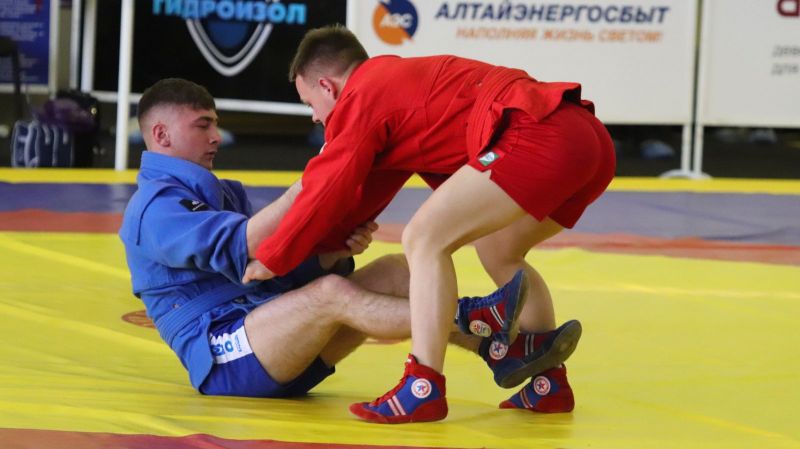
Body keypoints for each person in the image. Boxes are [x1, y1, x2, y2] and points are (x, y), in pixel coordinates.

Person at [243, 25, 609, 423]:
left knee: (423, 238)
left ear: (327, 87)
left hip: (541, 134)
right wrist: (334, 243)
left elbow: (327, 185)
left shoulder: (362, 95)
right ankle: (547, 384)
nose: (315, 116)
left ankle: (423, 386)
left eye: (310, 103)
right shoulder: (393, 88)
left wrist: (273, 258)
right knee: (499, 249)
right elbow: (365, 189)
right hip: (587, 139)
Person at [118, 78, 557, 403]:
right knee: (329, 295)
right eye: (203, 126)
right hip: (228, 361)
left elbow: (268, 274)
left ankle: (496, 349)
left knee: (397, 270)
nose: (216, 137)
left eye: (215, 124)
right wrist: (312, 183)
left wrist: (331, 254)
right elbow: (245, 245)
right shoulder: (153, 209)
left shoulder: (222, 192)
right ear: (161, 135)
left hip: (276, 340)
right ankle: (470, 316)